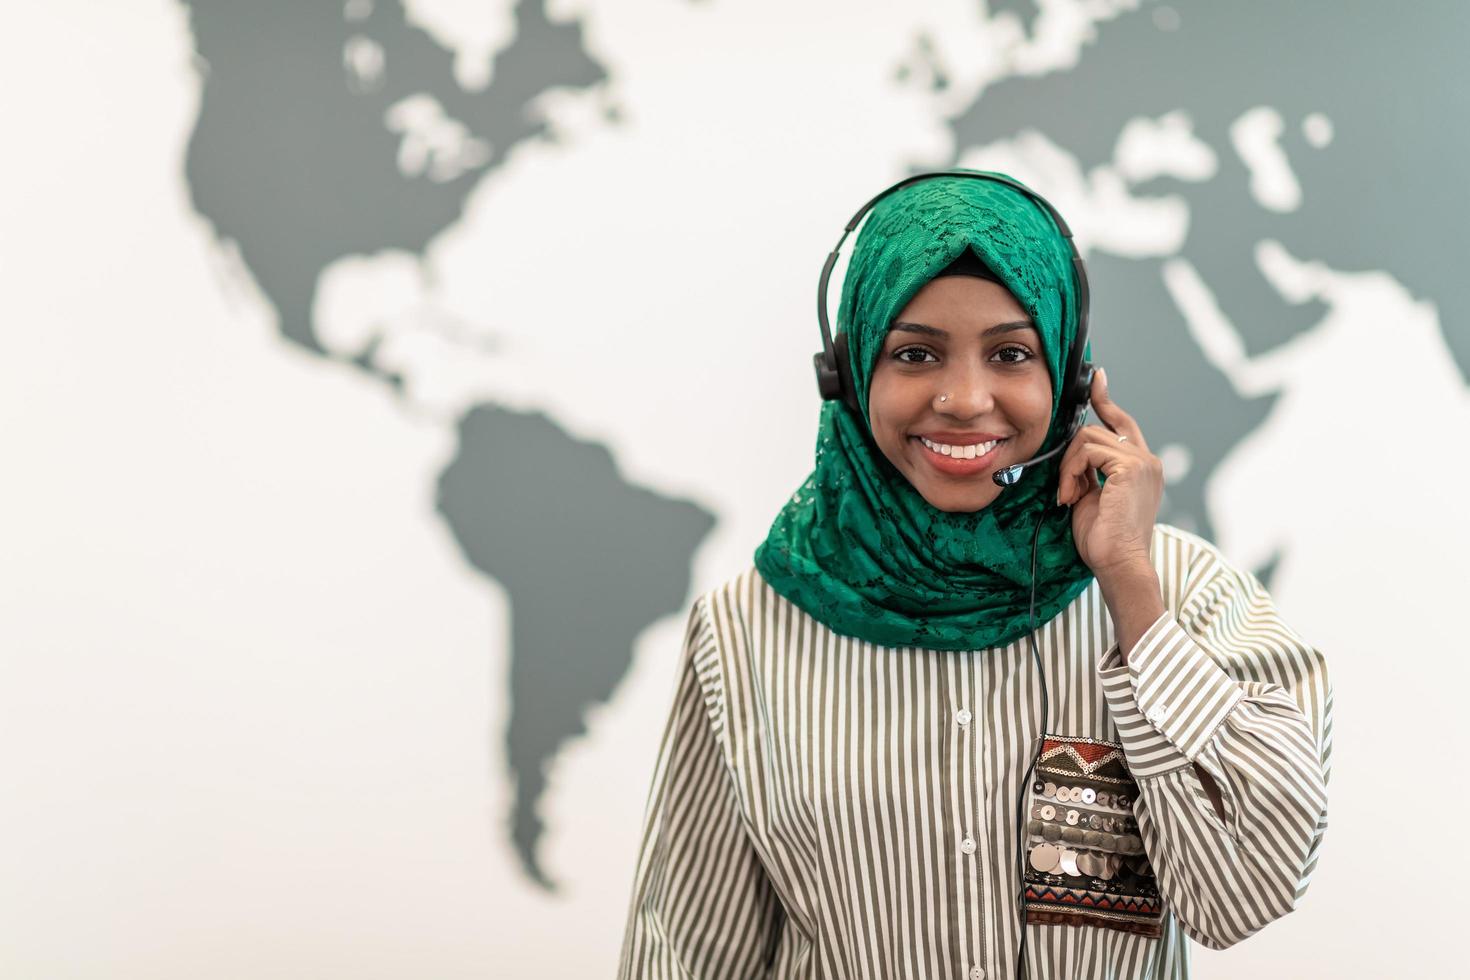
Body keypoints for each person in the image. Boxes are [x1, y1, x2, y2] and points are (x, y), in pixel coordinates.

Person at [616, 172, 1332, 979]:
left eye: (1011, 354)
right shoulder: (749, 625)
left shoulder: (1187, 595)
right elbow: (686, 951)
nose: (962, 399)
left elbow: (1243, 894)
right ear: (848, 377)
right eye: (915, 353)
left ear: (1068, 375)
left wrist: (1131, 589)